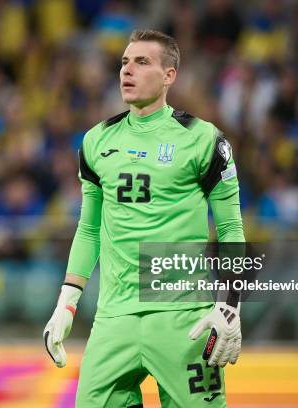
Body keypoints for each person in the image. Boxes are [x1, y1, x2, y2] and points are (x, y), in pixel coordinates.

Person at [44, 29, 244, 407]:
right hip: (113, 318)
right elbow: (88, 228)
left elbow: (232, 227)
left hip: (184, 318)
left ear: (169, 75)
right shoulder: (96, 141)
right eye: (123, 62)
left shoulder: (204, 139)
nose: (127, 71)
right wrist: (66, 302)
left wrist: (230, 302)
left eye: (141, 62)